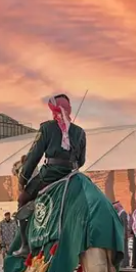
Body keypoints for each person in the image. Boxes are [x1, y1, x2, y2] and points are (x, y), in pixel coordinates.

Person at [12, 94, 87, 258]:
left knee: (22, 200)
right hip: (72, 176)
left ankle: (25, 246)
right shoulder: (80, 132)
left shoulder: (47, 128)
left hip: (49, 175)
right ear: (69, 109)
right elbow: (81, 160)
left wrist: (23, 179)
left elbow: (34, 156)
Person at [112, 201, 130, 268]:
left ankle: (124, 263)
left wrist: (124, 234)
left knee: (124, 249)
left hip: (122, 234)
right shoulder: (119, 213)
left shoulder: (123, 213)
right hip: (119, 234)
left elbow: (125, 225)